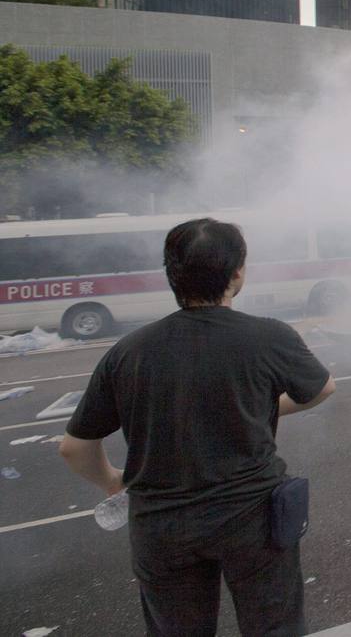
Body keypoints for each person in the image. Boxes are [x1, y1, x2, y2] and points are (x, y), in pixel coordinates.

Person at [59, 218, 336, 636]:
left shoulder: (129, 352)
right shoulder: (268, 336)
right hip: (253, 518)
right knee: (275, 626)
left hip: (161, 527)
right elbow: (321, 388)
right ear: (237, 272)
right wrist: (259, 407)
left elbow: (74, 448)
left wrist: (113, 481)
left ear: (172, 274)